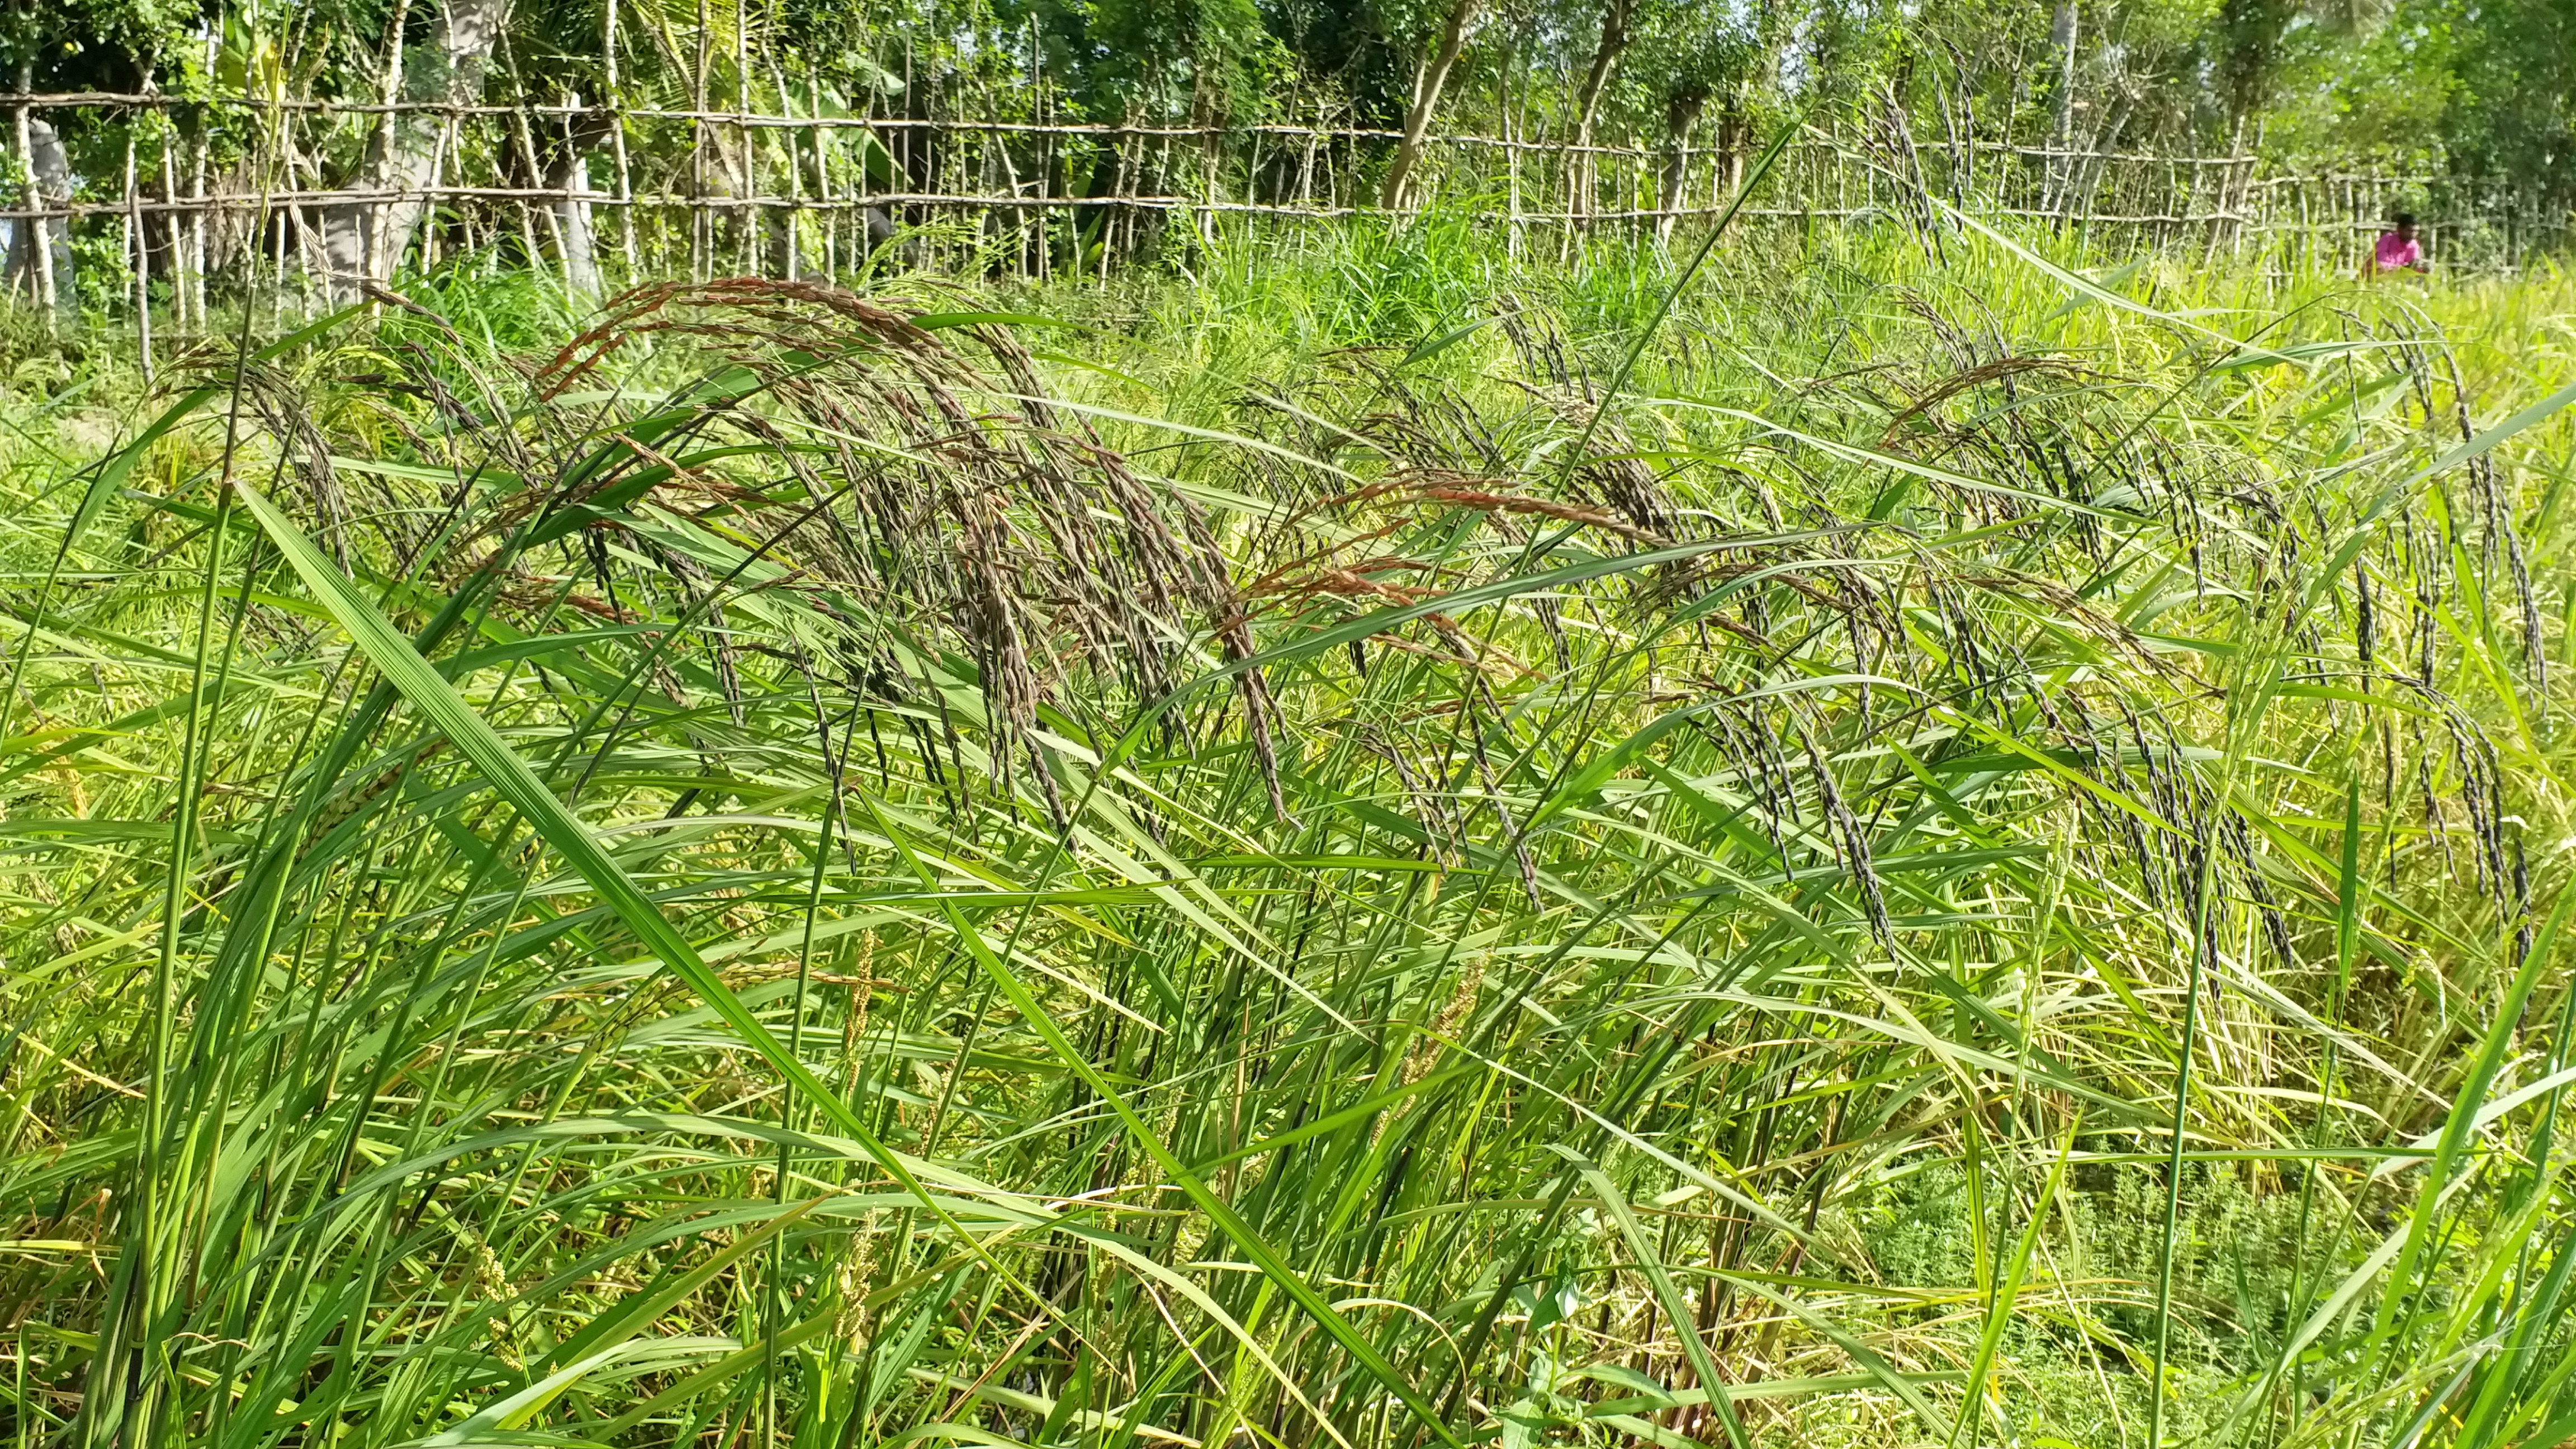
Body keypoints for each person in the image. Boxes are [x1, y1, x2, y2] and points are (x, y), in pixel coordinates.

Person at [2369, 214, 2428, 278]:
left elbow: (2413, 265)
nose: (2413, 235)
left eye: (2416, 231)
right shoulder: (2387, 240)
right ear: (2399, 229)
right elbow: (2380, 264)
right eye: (2409, 231)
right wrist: (2402, 268)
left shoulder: (2413, 245)